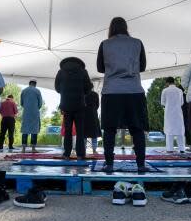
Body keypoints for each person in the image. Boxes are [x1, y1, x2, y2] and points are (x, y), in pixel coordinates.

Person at [96, 17, 148, 172]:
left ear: (111, 28)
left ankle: (109, 164)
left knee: (110, 129)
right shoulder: (137, 43)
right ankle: (141, 164)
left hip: (111, 91)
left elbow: (100, 68)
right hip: (134, 90)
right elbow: (143, 66)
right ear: (126, 27)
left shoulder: (105, 44)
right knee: (137, 129)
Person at [55, 57, 93, 160]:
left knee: (67, 131)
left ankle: (66, 154)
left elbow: (57, 88)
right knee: (80, 131)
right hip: (79, 104)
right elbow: (88, 88)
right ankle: (80, 154)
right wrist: (81, 93)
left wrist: (64, 92)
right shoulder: (83, 72)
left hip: (66, 105)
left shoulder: (61, 72)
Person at [161, 77, 186, 153]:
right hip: (178, 112)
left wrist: (169, 105)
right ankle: (182, 149)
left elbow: (162, 102)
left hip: (169, 113)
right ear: (174, 82)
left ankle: (170, 149)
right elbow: (182, 103)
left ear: (167, 83)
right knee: (180, 131)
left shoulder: (165, 90)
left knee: (169, 131)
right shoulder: (180, 91)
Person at [20, 79, 43, 153]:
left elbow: (22, 103)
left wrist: (27, 107)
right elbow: (40, 104)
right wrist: (35, 108)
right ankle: (33, 148)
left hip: (26, 113)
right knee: (34, 130)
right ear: (35, 84)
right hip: (34, 113)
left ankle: (23, 149)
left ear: (29, 83)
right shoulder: (37, 91)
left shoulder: (24, 91)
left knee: (25, 130)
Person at [84, 90, 102, 155]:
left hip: (84, 115)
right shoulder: (95, 94)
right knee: (94, 135)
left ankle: (83, 150)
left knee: (84, 135)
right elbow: (97, 105)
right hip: (93, 115)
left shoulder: (82, 93)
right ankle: (94, 150)